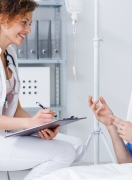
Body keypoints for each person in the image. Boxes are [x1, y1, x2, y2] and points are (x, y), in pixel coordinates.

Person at [0, 1, 85, 180]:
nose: (28, 30)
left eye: (29, 24)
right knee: (63, 152)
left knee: (77, 145)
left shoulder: (10, 55)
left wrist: (39, 126)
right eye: (24, 22)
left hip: (6, 135)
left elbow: (15, 108)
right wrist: (29, 125)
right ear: (3, 19)